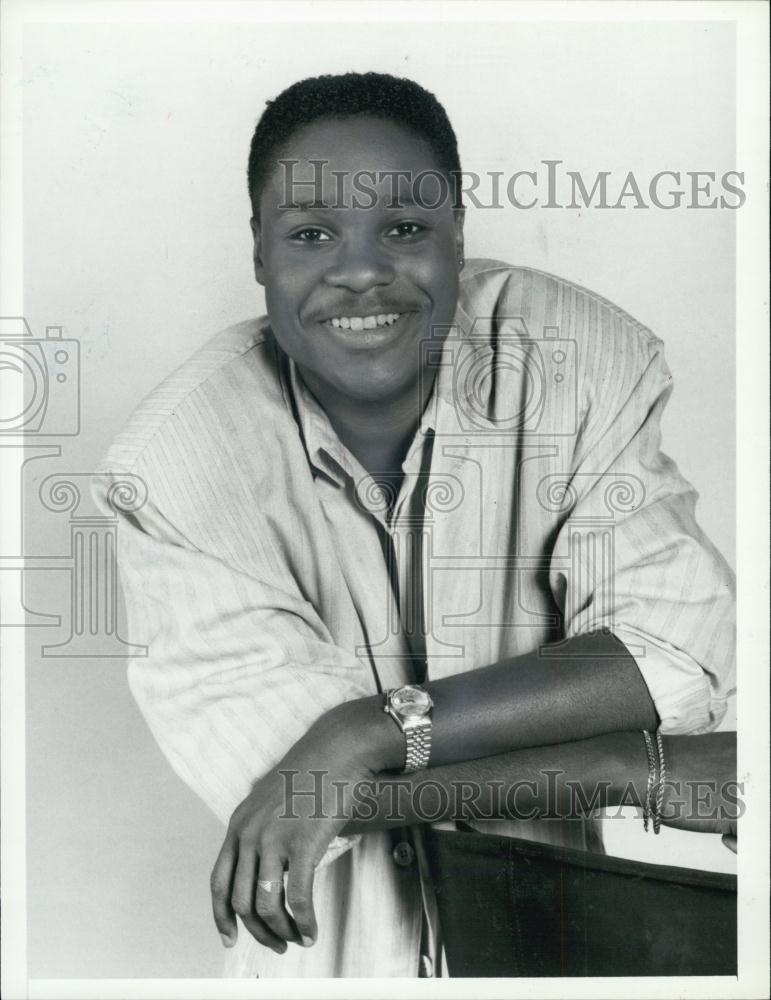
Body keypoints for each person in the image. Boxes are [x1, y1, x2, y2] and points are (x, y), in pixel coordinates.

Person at [94, 72, 736, 978]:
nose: (361, 269)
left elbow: (672, 655)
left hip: (561, 955)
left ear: (458, 236)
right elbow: (307, 801)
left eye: (404, 228)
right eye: (311, 234)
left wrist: (361, 733)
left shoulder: (578, 356)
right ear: (257, 251)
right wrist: (625, 768)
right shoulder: (175, 462)